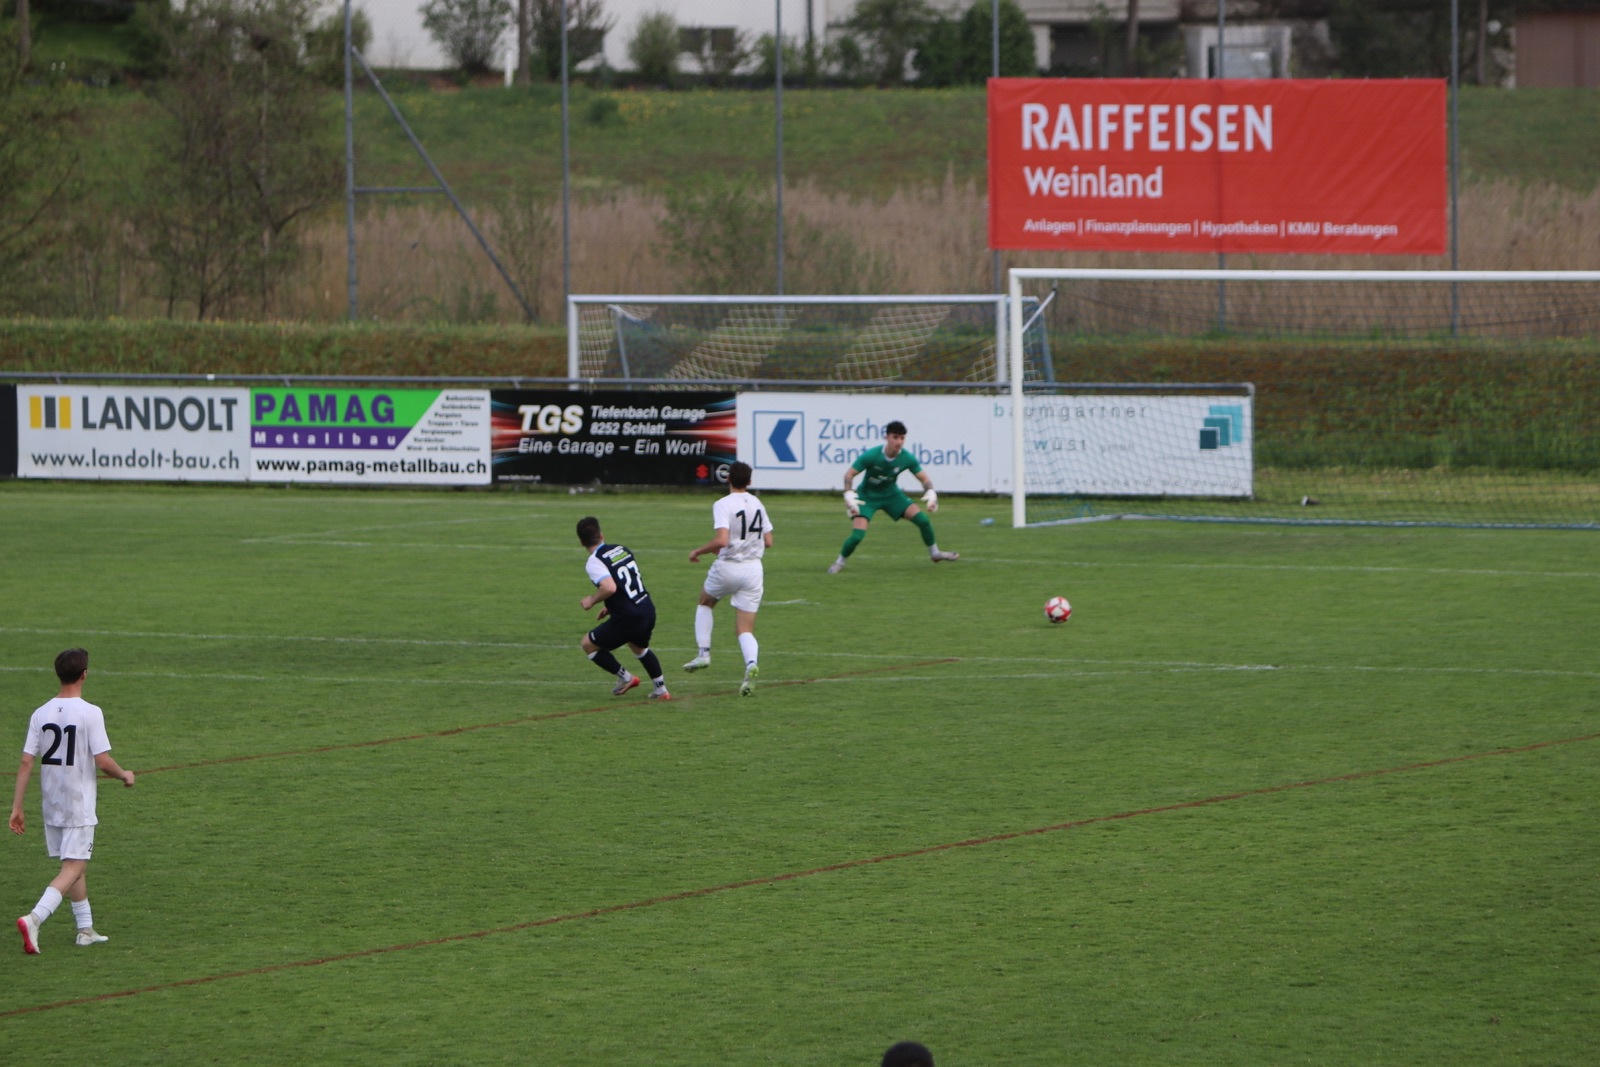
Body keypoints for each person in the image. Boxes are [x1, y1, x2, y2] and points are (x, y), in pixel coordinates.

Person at [11, 648, 136, 955]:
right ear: (84, 675)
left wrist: (17, 807)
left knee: (74, 864)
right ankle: (34, 919)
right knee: (74, 866)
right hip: (78, 803)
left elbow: (26, 762)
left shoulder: (40, 713)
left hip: (51, 803)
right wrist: (124, 775)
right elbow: (103, 761)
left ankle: (85, 929)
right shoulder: (90, 712)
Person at [684, 461, 773, 697]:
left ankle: (704, 654)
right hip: (753, 570)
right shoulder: (757, 503)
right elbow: (769, 541)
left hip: (728, 567)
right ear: (750, 481)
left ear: (728, 478)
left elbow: (722, 540)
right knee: (745, 629)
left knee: (705, 602)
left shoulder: (723, 504)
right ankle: (751, 664)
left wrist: (698, 551)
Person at [828, 420, 959, 573]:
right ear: (887, 437)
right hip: (867, 497)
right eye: (895, 437)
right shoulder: (872, 455)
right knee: (857, 536)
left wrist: (931, 492)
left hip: (891, 495)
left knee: (923, 520)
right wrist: (849, 494)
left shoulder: (906, 457)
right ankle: (840, 562)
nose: (899, 442)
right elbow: (849, 475)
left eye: (902, 438)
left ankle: (935, 554)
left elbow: (924, 479)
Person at [576, 516, 671, 701]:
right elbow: (627, 584)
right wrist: (611, 607)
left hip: (629, 617)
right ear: (601, 535)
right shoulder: (621, 549)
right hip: (646, 608)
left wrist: (591, 600)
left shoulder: (594, 562)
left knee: (588, 644)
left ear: (581, 542)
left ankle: (626, 678)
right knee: (639, 647)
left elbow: (609, 587)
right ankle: (661, 689)